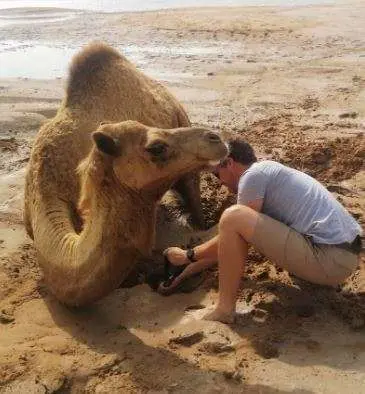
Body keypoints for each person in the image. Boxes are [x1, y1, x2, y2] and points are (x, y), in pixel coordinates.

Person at [159, 136, 363, 323]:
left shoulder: (252, 176)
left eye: (216, 175)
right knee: (236, 220)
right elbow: (230, 246)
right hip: (342, 258)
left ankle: (224, 310)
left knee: (233, 216)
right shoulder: (269, 171)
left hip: (329, 260)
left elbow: (232, 230)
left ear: (229, 163)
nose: (220, 183)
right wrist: (185, 271)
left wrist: (186, 255)